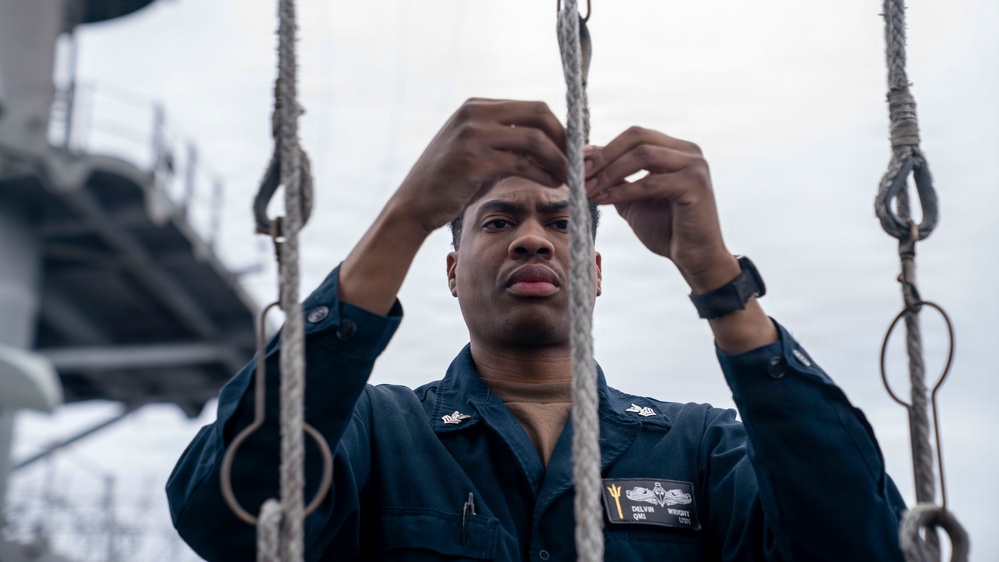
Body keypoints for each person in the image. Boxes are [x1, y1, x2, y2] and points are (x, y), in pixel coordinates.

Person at [167, 99, 906, 561]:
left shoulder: (703, 449)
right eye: (498, 222)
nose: (532, 239)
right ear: (451, 271)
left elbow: (862, 545)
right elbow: (225, 517)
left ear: (595, 272)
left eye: (561, 224)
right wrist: (406, 216)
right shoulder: (374, 433)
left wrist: (715, 274)